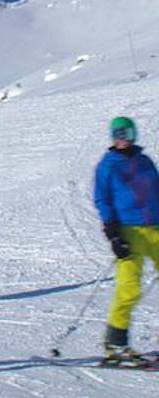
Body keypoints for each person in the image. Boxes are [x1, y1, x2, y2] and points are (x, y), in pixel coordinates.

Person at [94, 116, 159, 364]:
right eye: (118, 134)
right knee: (129, 288)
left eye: (127, 133)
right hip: (129, 231)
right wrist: (112, 233)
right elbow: (102, 199)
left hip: (156, 228)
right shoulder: (107, 165)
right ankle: (116, 344)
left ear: (134, 134)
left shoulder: (145, 161)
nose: (122, 138)